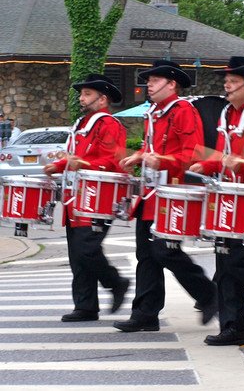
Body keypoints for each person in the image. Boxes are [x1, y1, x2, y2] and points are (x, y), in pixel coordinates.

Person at [113, 60, 217, 332]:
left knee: (164, 252)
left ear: (172, 84)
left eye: (155, 80)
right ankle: (145, 314)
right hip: (151, 193)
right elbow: (152, 149)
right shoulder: (155, 113)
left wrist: (162, 161)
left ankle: (207, 293)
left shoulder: (182, 110)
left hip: (172, 194)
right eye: (148, 80)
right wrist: (138, 156)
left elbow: (192, 154)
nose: (148, 84)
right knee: (146, 255)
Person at [189, 56, 244, 346]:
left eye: (233, 81)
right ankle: (234, 327)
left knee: (236, 262)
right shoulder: (228, 114)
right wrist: (207, 165)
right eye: (226, 81)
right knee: (225, 261)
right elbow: (222, 154)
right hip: (228, 196)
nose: (226, 86)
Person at [44, 73, 130, 322]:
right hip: (77, 197)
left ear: (102, 99)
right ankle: (85, 306)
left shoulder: (109, 124)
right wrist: (58, 165)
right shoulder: (83, 124)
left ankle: (116, 283)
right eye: (82, 94)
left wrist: (81, 163)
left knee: (87, 249)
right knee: (77, 254)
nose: (81, 98)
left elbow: (112, 161)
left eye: (87, 94)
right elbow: (76, 157)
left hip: (99, 196)